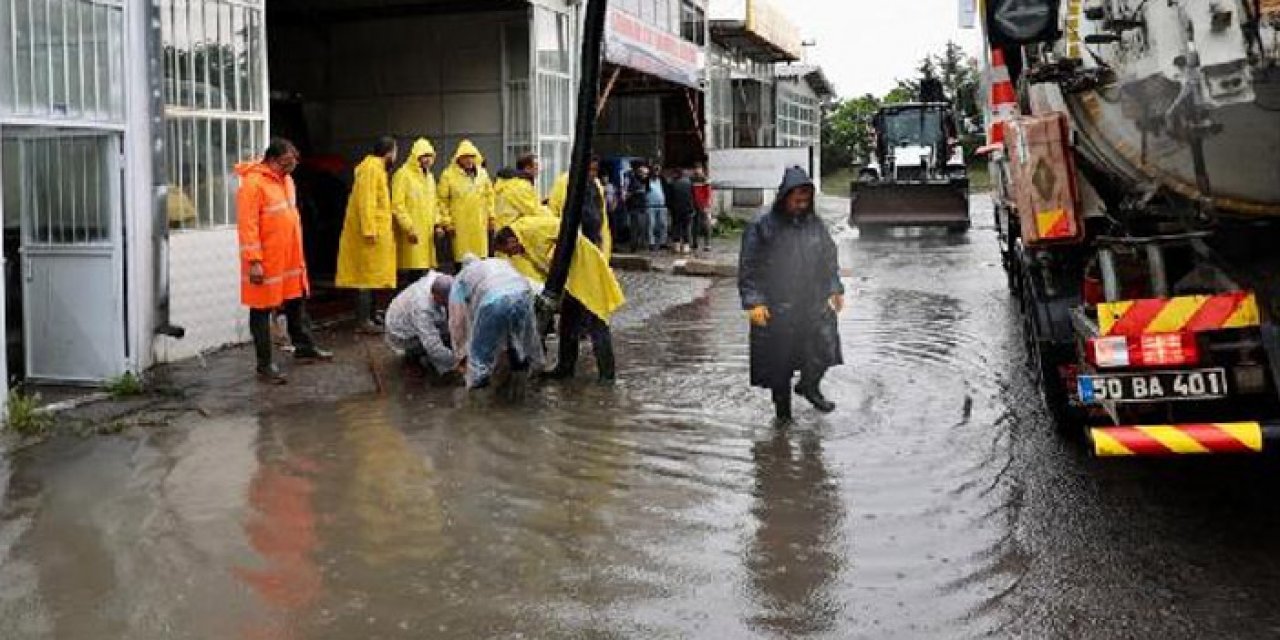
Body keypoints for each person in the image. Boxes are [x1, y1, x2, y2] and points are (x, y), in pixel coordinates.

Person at [738, 167, 845, 423]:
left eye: (806, 201)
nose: (801, 205)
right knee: (780, 364)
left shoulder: (814, 224)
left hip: (813, 303)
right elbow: (749, 268)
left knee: (823, 350)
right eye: (796, 200)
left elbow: (829, 260)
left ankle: (809, 387)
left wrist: (834, 287)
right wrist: (754, 302)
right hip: (778, 307)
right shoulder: (762, 226)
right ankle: (783, 416)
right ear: (784, 196)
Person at [236, 138, 333, 384]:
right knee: (260, 310)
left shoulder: (286, 181)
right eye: (290, 161)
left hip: (289, 258)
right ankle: (264, 365)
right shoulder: (253, 184)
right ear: (275, 160)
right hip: (266, 260)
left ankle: (303, 346)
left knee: (295, 301)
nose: (294, 165)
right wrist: (254, 261)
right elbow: (248, 226)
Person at [494, 217, 625, 383]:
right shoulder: (524, 243)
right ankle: (565, 368)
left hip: (585, 271)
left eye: (509, 250)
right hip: (569, 280)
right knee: (568, 323)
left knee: (596, 322)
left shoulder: (533, 229)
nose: (512, 255)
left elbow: (565, 235)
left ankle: (607, 374)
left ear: (511, 240)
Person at [337, 136, 416, 334]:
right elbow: (367, 201)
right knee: (365, 277)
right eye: (395, 152)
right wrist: (369, 230)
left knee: (372, 277)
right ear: (389, 152)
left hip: (375, 233)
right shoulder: (372, 169)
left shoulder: (376, 169)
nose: (396, 156)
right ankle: (364, 320)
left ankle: (371, 315)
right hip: (369, 235)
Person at [448, 258, 545, 389]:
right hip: (523, 292)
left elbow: (457, 321)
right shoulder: (500, 262)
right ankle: (535, 371)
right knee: (528, 339)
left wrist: (461, 353)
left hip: (493, 299)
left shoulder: (460, 280)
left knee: (479, 353)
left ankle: (477, 390)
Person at [384, 271, 462, 384]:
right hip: (400, 332)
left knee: (449, 329)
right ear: (436, 297)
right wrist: (459, 362)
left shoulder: (440, 279)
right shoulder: (422, 309)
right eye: (446, 301)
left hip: (407, 314)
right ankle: (412, 357)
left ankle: (445, 356)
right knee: (436, 344)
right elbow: (433, 346)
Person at [392, 138, 443, 289]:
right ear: (416, 156)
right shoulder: (403, 175)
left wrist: (437, 224)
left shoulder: (430, 177)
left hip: (426, 235)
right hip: (412, 234)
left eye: (430, 156)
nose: (427, 160)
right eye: (424, 156)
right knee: (411, 275)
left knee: (423, 273)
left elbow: (434, 203)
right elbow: (397, 205)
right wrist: (408, 227)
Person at [438, 140, 496, 266]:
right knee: (462, 261)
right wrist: (447, 222)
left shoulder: (483, 174)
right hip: (460, 226)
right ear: (458, 158)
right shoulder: (448, 175)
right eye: (465, 157)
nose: (469, 160)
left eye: (472, 157)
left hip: (480, 224)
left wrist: (491, 217)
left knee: (481, 261)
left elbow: (490, 196)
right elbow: (442, 201)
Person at [547, 155, 612, 259]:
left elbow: (602, 214)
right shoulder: (565, 183)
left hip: (594, 239)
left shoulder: (596, 184)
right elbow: (553, 211)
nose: (592, 174)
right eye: (590, 170)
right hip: (575, 240)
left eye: (595, 170)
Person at [494, 153, 549, 230]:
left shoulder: (507, 182)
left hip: (503, 227)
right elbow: (532, 210)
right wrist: (552, 215)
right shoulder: (519, 185)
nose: (538, 169)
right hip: (512, 231)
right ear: (527, 168)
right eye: (536, 165)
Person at [666, 168, 696, 255]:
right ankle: (686, 245)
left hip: (675, 210)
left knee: (676, 226)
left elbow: (669, 198)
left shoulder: (671, 183)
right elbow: (692, 197)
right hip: (687, 209)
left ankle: (677, 245)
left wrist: (670, 208)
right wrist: (692, 208)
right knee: (686, 227)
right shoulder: (689, 183)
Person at [624, 163, 652, 254]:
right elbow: (628, 195)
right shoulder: (634, 182)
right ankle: (634, 247)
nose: (645, 176)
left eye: (646, 174)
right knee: (635, 228)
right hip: (635, 209)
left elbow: (647, 192)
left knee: (643, 228)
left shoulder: (645, 183)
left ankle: (641, 246)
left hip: (643, 208)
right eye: (643, 174)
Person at [646, 164, 669, 252]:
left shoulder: (662, 180)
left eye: (658, 170)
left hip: (662, 206)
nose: (656, 172)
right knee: (651, 225)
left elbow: (666, 190)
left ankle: (663, 242)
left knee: (663, 224)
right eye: (655, 170)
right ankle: (651, 242)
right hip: (651, 206)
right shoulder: (648, 181)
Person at [691, 164, 714, 252]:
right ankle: (694, 243)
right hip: (694, 205)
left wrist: (707, 205)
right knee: (694, 224)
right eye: (696, 169)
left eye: (699, 169)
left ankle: (707, 244)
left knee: (706, 225)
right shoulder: (692, 179)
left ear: (702, 170)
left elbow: (708, 193)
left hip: (704, 205)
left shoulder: (705, 179)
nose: (697, 171)